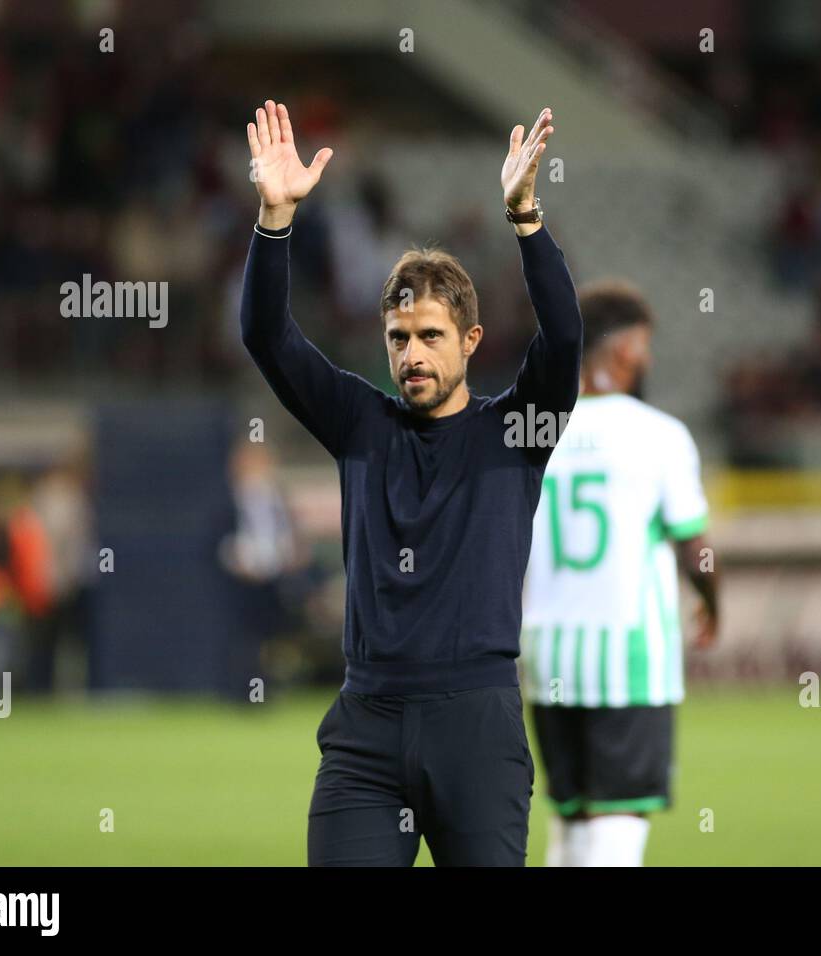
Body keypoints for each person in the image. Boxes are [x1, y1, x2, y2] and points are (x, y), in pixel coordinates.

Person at [240, 100, 581, 866]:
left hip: (477, 726)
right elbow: (267, 336)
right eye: (399, 338)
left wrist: (525, 220)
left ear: (470, 340)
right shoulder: (360, 422)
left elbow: (563, 336)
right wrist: (273, 220)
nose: (413, 353)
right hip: (366, 728)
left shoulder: (516, 432)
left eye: (431, 336)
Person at [521, 280, 720, 866]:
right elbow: (695, 549)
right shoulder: (658, 435)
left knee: (572, 815)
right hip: (627, 656)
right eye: (645, 345)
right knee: (619, 817)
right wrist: (713, 603)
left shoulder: (535, 432)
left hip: (547, 651)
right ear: (627, 347)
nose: (649, 359)